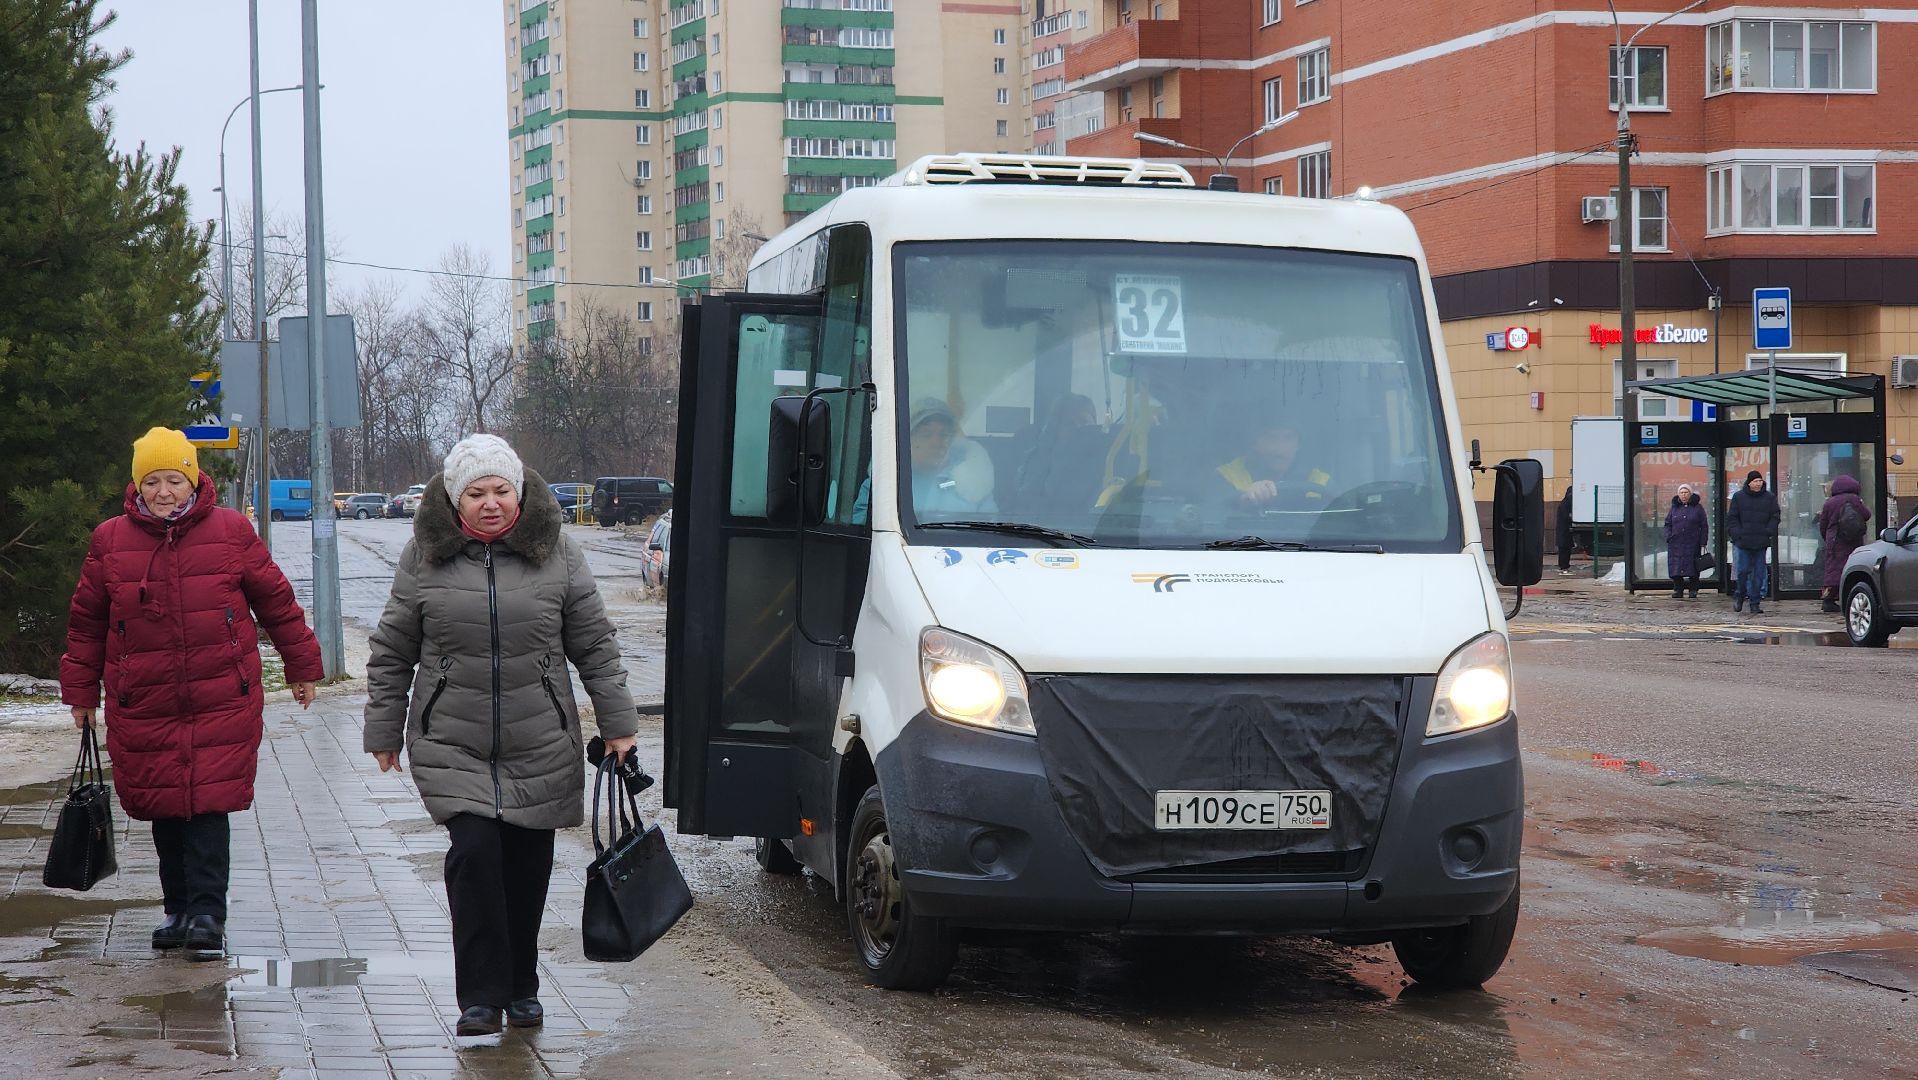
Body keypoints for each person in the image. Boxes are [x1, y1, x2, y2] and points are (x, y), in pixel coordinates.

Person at [363, 434, 641, 1037]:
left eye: (500, 490)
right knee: (474, 857)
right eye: (476, 493)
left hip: (540, 737)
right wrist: (383, 727)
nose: (490, 503)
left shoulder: (557, 551)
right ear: (454, 500)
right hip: (451, 740)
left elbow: (594, 643)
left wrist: (618, 725)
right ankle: (481, 998)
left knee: (525, 868)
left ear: (518, 493)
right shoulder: (424, 555)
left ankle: (521, 986)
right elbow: (393, 649)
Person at [59, 427, 322, 959]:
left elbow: (276, 602)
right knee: (164, 808)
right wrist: (81, 693)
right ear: (137, 486)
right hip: (144, 699)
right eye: (152, 481)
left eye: (174, 480)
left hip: (220, 695)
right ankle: (177, 910)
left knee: (207, 807)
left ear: (194, 481)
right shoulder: (110, 540)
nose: (164, 492)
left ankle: (207, 915)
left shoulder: (230, 531)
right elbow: (87, 624)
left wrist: (302, 666)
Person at [852, 398, 996, 524]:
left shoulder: (973, 482)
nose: (937, 443)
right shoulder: (884, 483)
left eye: (944, 435)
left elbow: (990, 529)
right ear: (909, 439)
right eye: (926, 435)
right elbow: (862, 527)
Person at [1214, 421, 1332, 511]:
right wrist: (1243, 499)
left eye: (1288, 438)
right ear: (1255, 443)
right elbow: (1214, 509)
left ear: (1298, 445)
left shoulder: (1319, 480)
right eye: (1270, 437)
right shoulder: (1230, 475)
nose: (1279, 449)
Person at [1726, 469, 1780, 615]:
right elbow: (1732, 518)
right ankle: (1740, 594)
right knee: (1742, 571)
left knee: (1758, 574)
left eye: (1760, 481)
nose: (1758, 483)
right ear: (1749, 483)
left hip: (1760, 541)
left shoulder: (1769, 498)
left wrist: (1768, 531)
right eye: (1755, 481)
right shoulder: (1739, 497)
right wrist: (1737, 534)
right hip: (1743, 541)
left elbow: (1775, 516)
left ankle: (1755, 602)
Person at [1815, 474, 1870, 613]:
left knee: (1833, 569)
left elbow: (1823, 523)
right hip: (1853, 539)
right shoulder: (1856, 500)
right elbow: (1867, 515)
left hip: (1835, 541)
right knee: (1852, 567)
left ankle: (1828, 599)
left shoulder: (1830, 502)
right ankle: (1850, 596)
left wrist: (1828, 537)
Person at [1662, 484, 1709, 600]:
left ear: (1690, 494)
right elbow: (1668, 524)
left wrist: (1703, 541)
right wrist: (1668, 536)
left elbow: (1704, 525)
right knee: (1676, 567)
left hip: (1692, 542)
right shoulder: (1674, 508)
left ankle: (1693, 589)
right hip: (1676, 543)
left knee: (1693, 566)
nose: (1684, 495)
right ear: (1678, 494)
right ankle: (1678, 589)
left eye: (1686, 492)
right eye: (1681, 493)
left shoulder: (1698, 508)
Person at [1556, 483, 1576, 575]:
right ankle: (1564, 567)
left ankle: (1564, 566)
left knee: (1565, 549)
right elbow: (1566, 517)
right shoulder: (1565, 504)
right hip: (1564, 531)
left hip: (1563, 531)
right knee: (1564, 549)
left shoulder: (1564, 503)